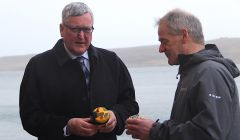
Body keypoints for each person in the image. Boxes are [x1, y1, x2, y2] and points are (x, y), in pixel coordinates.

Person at [19, 2, 139, 140]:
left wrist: (115, 116)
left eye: (87, 29)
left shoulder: (111, 61)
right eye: (75, 29)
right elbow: (29, 117)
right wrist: (67, 126)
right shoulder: (38, 66)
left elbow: (130, 105)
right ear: (61, 29)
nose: (81, 36)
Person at [125, 8, 240, 140]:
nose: (160, 49)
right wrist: (152, 127)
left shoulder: (210, 73)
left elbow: (209, 134)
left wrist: (154, 131)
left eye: (164, 41)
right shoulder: (193, 72)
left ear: (184, 35)